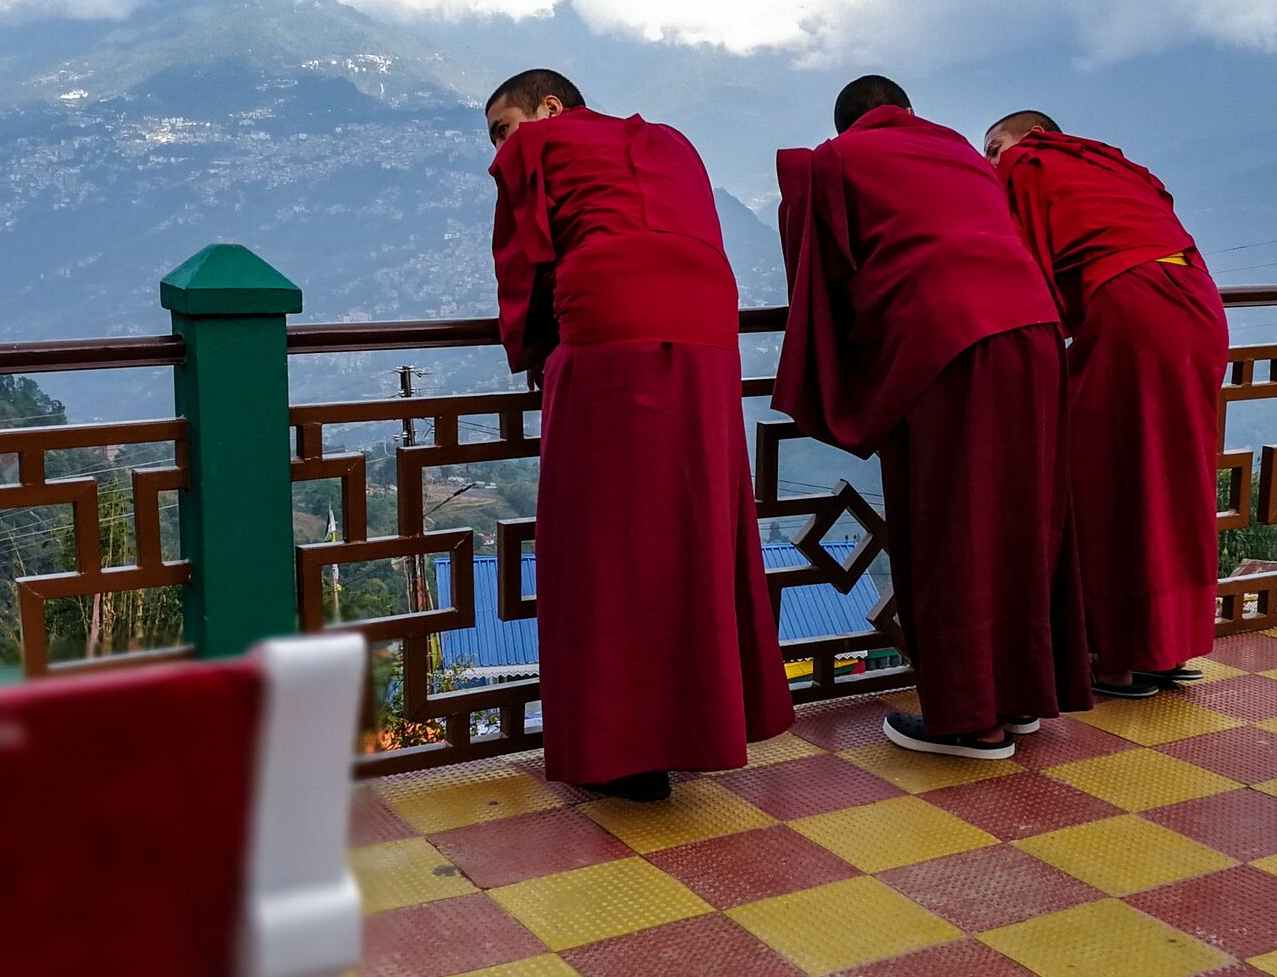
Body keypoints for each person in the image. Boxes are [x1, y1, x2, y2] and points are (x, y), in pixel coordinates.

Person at [484, 69, 793, 801]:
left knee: (606, 538)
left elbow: (524, 265)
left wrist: (533, 353)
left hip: (614, 327)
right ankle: (702, 724)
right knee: (694, 522)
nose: (499, 150)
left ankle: (628, 753)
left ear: (549, 108)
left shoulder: (544, 144)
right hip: (710, 334)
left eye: (503, 129)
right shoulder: (668, 142)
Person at [773, 75, 1091, 758]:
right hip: (1035, 331)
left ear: (845, 127)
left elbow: (817, 267)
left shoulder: (836, 159)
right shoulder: (960, 152)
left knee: (951, 525)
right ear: (909, 113)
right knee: (1024, 516)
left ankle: (971, 720)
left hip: (952, 340)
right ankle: (1023, 697)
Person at [984, 110, 1228, 697]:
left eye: (994, 146)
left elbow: (1018, 265)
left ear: (1031, 138)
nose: (990, 160)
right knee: (1175, 477)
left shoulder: (1028, 162)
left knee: (1102, 479)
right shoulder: (1109, 163)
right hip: (1197, 301)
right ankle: (1165, 646)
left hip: (1133, 306)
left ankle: (1114, 657)